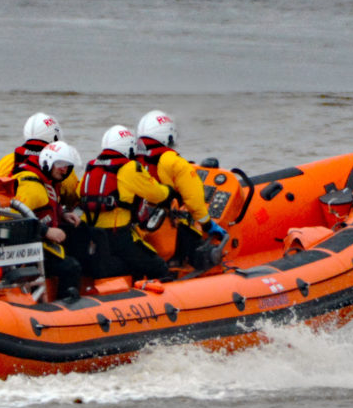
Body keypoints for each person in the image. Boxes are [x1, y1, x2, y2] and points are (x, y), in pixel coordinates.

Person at [135, 109, 226, 268]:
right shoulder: (175, 163)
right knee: (193, 231)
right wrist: (208, 225)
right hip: (167, 232)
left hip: (140, 227)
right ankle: (183, 264)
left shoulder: (132, 159)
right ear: (167, 135)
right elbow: (194, 202)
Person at [79, 125, 171, 281]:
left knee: (133, 265)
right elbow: (157, 195)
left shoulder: (92, 167)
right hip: (119, 237)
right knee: (158, 266)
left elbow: (78, 193)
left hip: (92, 235)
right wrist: (170, 190)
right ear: (130, 147)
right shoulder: (130, 168)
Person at [12, 139, 88, 300]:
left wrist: (62, 214)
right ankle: (65, 308)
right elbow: (12, 220)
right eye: (60, 164)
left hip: (35, 239)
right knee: (71, 267)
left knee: (80, 234)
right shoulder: (32, 186)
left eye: (67, 166)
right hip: (24, 247)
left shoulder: (46, 181)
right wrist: (46, 231)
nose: (64, 170)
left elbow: (45, 207)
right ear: (47, 162)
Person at [0, 112, 80, 205]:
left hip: (7, 213)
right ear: (55, 136)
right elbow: (73, 195)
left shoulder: (7, 160)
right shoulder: (59, 161)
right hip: (41, 215)